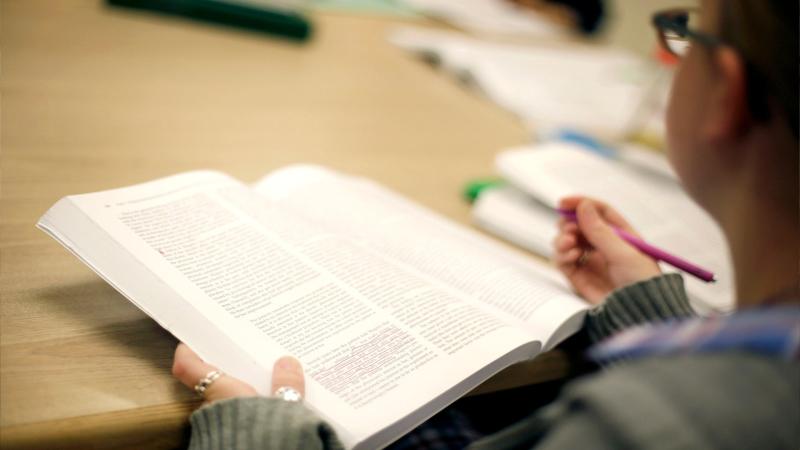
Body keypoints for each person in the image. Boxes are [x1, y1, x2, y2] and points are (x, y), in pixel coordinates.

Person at [171, 0, 799, 448]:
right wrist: (652, 313)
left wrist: (257, 434)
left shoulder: (637, 427)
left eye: (685, 33)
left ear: (726, 95)